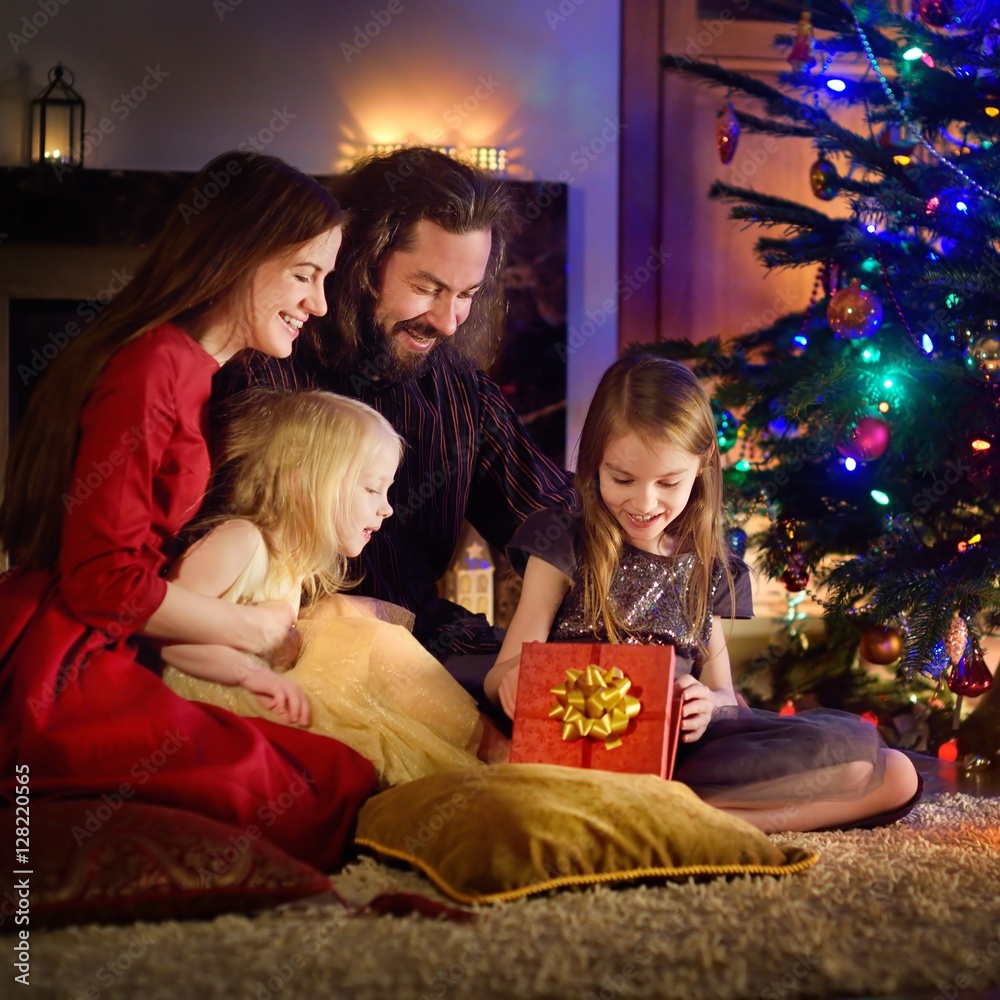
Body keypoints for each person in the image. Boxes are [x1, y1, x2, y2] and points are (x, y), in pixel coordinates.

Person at [0, 151, 378, 871]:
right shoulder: (153, 368)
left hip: (102, 650)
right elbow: (102, 583)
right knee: (311, 794)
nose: (320, 304)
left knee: (335, 774)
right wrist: (254, 628)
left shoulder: (193, 373)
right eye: (305, 275)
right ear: (235, 256)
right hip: (59, 668)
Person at [484, 354, 923, 833]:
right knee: (867, 776)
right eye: (622, 479)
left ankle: (691, 817)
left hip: (684, 755)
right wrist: (516, 679)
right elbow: (498, 676)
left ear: (701, 467)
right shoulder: (563, 543)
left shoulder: (706, 565)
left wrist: (708, 704)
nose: (644, 502)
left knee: (895, 773)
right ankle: (689, 817)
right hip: (583, 742)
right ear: (593, 465)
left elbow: (726, 696)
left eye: (668, 482)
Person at [213, 147, 575, 673]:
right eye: (427, 288)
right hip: (289, 656)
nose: (450, 322)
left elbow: (552, 517)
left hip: (427, 643)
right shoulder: (264, 369)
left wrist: (673, 531)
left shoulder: (461, 390)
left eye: (467, 294)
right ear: (362, 262)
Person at [160, 389, 506, 787]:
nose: (387, 507)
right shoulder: (241, 540)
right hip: (218, 706)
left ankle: (491, 754)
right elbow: (163, 637)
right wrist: (250, 675)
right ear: (305, 481)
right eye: (373, 489)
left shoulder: (297, 567)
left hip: (272, 693)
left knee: (367, 636)